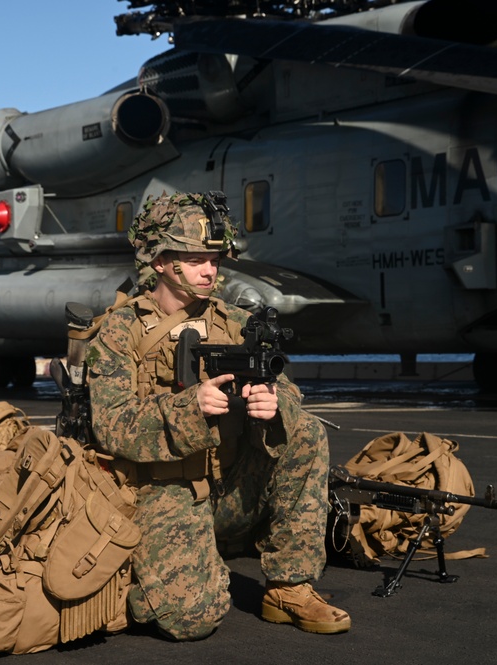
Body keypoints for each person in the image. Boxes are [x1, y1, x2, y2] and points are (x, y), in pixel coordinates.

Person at [86, 191, 351, 640]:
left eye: (214, 259)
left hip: (228, 488)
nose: (209, 270)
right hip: (162, 491)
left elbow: (288, 389)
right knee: (192, 620)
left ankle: (289, 587)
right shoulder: (120, 330)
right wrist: (189, 408)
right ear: (160, 262)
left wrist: (275, 404)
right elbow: (110, 425)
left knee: (304, 431)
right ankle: (140, 576)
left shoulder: (234, 321)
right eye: (195, 260)